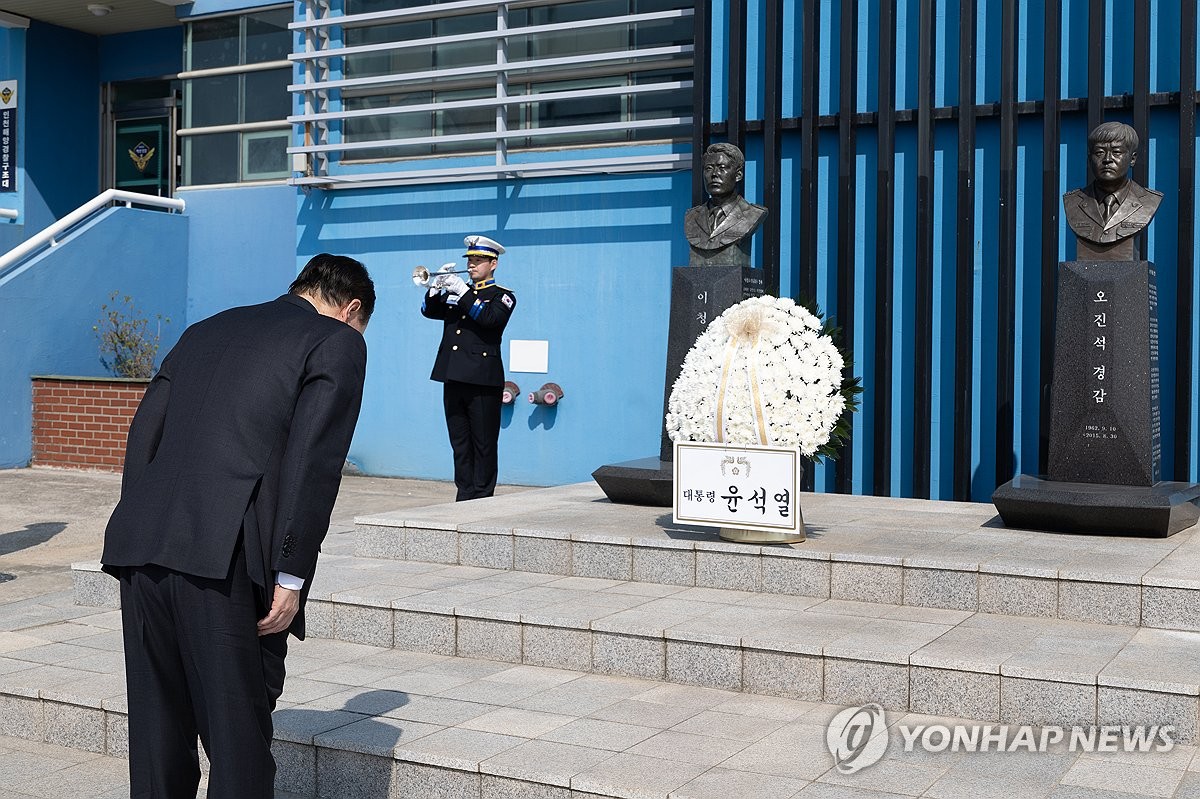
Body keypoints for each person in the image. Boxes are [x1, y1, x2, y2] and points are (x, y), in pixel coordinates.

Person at [100, 254, 375, 798]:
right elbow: (313, 463)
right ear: (352, 309)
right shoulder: (335, 340)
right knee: (239, 749)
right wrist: (291, 575)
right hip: (225, 562)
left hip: (144, 550)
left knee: (158, 743)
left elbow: (142, 437)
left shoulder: (204, 330)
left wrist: (144, 523)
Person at [421, 235, 516, 500]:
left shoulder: (502, 296)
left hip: (482, 381)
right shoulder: (460, 294)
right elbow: (429, 311)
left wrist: (462, 292)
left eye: (477, 260)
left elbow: (489, 320)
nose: (471, 265)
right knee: (459, 443)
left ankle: (483, 495)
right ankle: (464, 494)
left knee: (484, 443)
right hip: (453, 376)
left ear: (493, 264)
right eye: (470, 260)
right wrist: (435, 287)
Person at [1063, 121, 1161, 259]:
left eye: (1116, 152)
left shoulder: (1149, 201)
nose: (1107, 159)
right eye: (1099, 152)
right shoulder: (1073, 201)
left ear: (1132, 159)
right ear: (1089, 159)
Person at [683, 142, 768, 266]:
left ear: (738, 175)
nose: (714, 174)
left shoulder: (753, 213)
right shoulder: (691, 216)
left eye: (722, 168)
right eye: (708, 168)